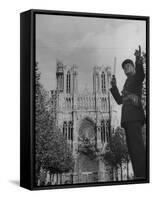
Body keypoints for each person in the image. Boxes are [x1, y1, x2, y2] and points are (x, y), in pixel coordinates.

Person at [110, 46, 146, 179]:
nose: (126, 68)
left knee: (137, 148)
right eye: (124, 67)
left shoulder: (136, 77)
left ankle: (143, 175)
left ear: (133, 67)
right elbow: (120, 101)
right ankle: (139, 174)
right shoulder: (126, 83)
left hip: (134, 117)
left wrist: (138, 60)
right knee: (132, 149)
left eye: (128, 65)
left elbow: (141, 75)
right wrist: (114, 87)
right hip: (127, 118)